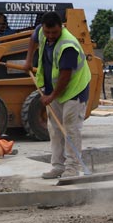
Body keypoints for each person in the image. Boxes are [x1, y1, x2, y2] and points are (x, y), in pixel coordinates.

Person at [23, 11, 91, 180]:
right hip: (53, 88)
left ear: (61, 27)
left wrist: (51, 96)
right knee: (54, 129)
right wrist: (28, 60)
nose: (50, 36)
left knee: (70, 128)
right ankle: (58, 166)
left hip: (74, 89)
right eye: (47, 32)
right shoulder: (41, 31)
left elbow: (65, 77)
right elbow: (33, 40)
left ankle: (72, 168)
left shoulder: (68, 45)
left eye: (54, 32)